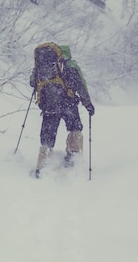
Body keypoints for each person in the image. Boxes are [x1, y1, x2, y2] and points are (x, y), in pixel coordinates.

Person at [30, 44, 95, 178]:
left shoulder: (41, 65)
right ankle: (73, 159)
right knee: (74, 128)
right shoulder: (70, 66)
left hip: (49, 105)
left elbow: (32, 82)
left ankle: (42, 165)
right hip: (68, 104)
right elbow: (80, 85)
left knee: (47, 135)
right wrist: (87, 103)